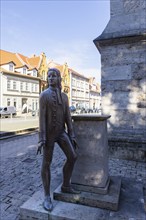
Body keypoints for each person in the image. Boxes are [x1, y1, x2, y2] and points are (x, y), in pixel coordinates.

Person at [37, 68, 79, 212]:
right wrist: (41, 138)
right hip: (48, 135)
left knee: (73, 156)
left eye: (54, 76)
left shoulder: (64, 97)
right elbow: (41, 118)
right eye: (49, 76)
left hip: (61, 133)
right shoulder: (44, 96)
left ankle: (65, 185)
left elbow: (68, 116)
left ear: (59, 78)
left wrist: (71, 134)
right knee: (46, 163)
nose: (50, 78)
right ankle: (47, 196)